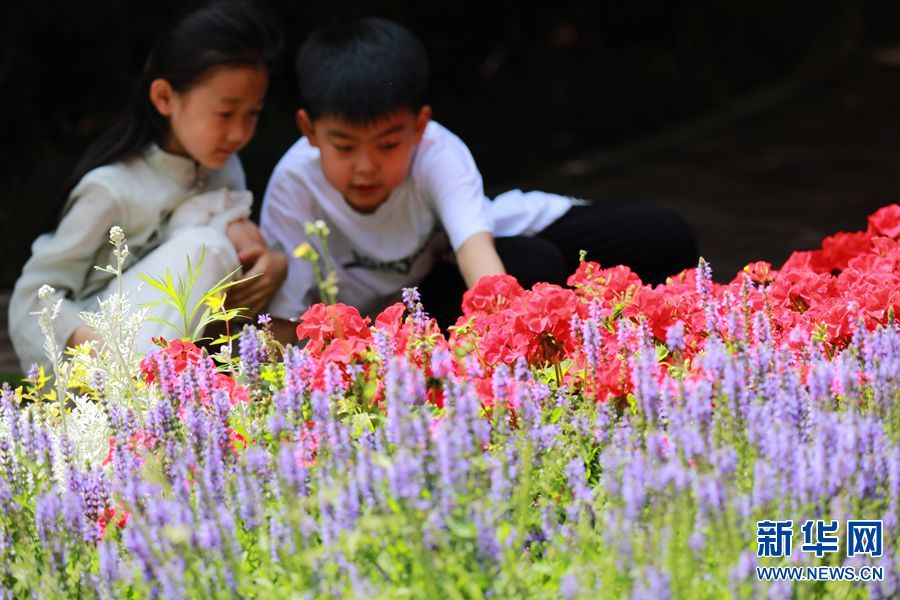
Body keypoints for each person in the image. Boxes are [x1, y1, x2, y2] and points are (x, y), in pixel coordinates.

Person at [260, 17, 697, 341]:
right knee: (533, 265)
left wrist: (516, 330)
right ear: (310, 130)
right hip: (400, 321)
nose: (366, 166)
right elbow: (284, 319)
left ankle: (604, 330)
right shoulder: (293, 185)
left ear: (419, 127)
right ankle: (573, 331)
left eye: (388, 144)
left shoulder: (439, 152)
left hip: (468, 257)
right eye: (345, 146)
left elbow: (478, 258)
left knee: (665, 235)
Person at [9, 0, 286, 371]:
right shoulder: (111, 188)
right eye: (225, 112)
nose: (239, 132)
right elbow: (31, 297)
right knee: (207, 248)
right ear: (164, 98)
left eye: (252, 113)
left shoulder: (223, 167)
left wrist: (272, 265)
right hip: (99, 366)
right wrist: (87, 342)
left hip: (175, 358)